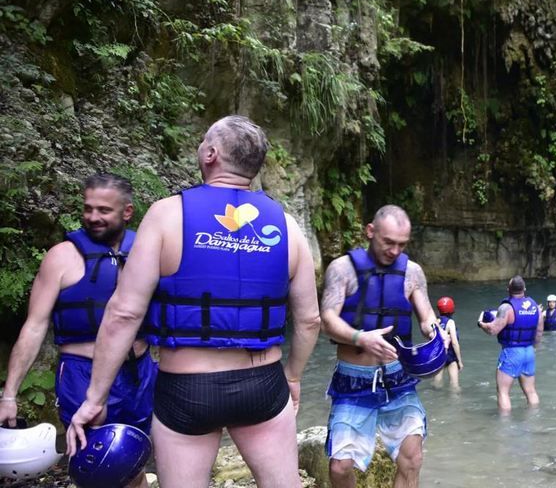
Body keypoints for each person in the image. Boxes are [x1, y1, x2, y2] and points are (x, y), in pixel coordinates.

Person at [65, 116, 321, 488]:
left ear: (211, 154)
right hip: (263, 385)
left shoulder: (167, 215)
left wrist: (94, 398)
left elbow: (124, 313)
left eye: (204, 142)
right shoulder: (287, 225)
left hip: (187, 390)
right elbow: (309, 320)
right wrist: (293, 376)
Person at [0, 174, 156, 488]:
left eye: (103, 210)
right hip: (82, 374)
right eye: (88, 208)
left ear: (127, 212)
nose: (93, 217)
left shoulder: (145, 250)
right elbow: (34, 327)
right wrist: (10, 395)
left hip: (140, 372)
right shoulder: (61, 257)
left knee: (134, 458)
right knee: (96, 464)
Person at [320, 204, 447, 488]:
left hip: (398, 379)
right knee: (340, 467)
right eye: (388, 242)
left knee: (412, 457)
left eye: (402, 244)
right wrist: (359, 337)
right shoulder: (342, 269)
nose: (395, 251)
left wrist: (436, 333)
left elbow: (426, 316)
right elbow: (326, 320)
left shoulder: (412, 272)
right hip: (353, 380)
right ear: (370, 231)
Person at [477, 275, 543, 412]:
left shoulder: (506, 308)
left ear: (508, 290)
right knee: (531, 391)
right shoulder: (535, 307)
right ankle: (534, 419)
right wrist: (534, 348)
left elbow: (493, 330)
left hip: (512, 352)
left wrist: (481, 324)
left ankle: (505, 427)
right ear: (524, 288)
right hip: (529, 351)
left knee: (503, 392)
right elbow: (539, 332)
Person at [433, 296, 463, 389]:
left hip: (438, 354)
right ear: (452, 309)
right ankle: (455, 401)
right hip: (449, 356)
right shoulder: (450, 322)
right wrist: (459, 361)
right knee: (454, 385)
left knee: (436, 383)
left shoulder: (434, 320)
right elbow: (454, 343)